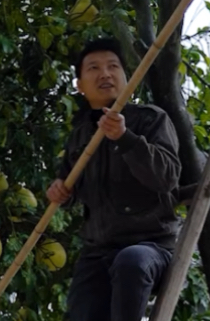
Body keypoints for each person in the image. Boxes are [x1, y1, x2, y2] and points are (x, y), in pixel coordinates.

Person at [46, 37, 182, 321]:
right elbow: (69, 186)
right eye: (93, 68)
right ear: (80, 85)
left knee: (131, 261)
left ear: (126, 77)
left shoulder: (150, 120)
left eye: (113, 66)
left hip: (150, 247)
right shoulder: (81, 135)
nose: (105, 73)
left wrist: (125, 138)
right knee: (81, 309)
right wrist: (61, 191)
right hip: (98, 251)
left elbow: (167, 178)